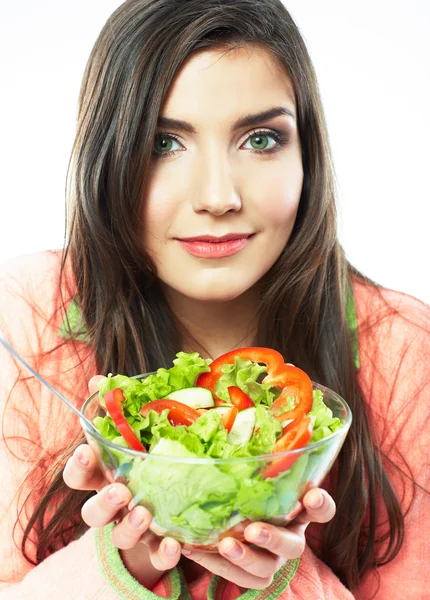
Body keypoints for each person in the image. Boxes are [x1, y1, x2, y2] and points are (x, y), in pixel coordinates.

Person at [0, 0, 429, 598]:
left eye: (260, 138)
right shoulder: (24, 316)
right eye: (163, 143)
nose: (218, 195)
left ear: (308, 153)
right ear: (107, 157)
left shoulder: (409, 352)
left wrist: (284, 571)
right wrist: (121, 565)